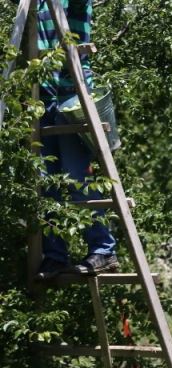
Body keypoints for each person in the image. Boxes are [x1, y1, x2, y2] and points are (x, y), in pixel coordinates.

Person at [35, 0, 118, 279]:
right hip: (42, 99)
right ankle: (55, 257)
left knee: (78, 179)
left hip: (73, 97)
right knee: (47, 184)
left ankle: (103, 250)